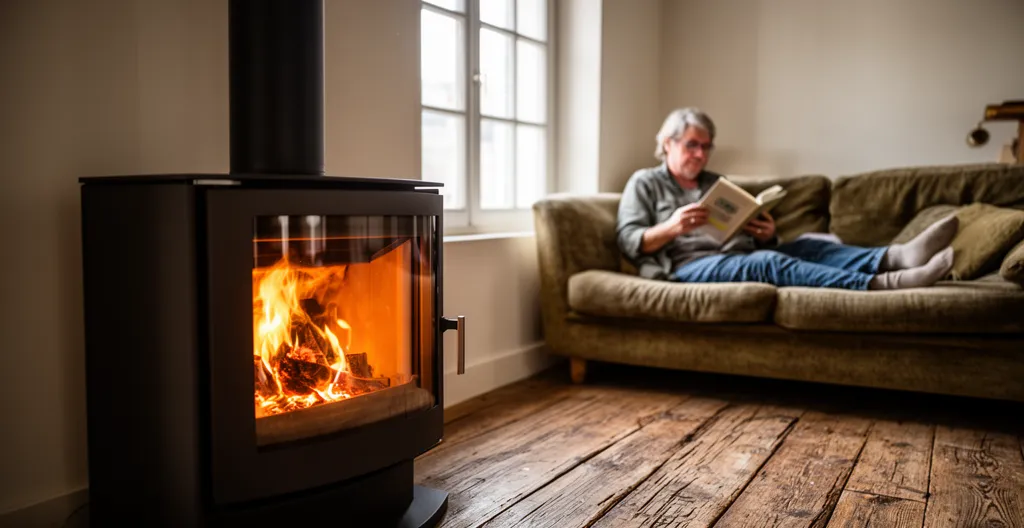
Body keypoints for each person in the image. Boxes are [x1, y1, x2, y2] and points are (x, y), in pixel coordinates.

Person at [616, 108, 956, 290]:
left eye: (706, 147)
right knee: (767, 263)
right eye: (692, 145)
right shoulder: (644, 182)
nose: (701, 154)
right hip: (687, 267)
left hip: (734, 252)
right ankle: (885, 283)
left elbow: (737, 227)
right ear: (667, 143)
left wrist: (763, 232)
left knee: (810, 247)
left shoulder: (715, 182)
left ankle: (897, 256)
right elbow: (628, 239)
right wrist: (672, 227)